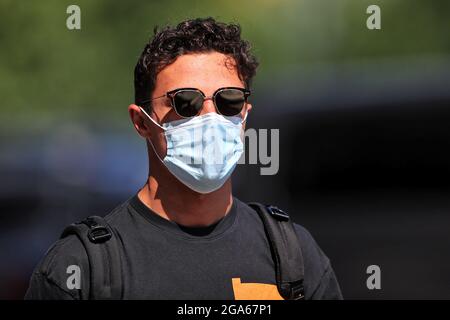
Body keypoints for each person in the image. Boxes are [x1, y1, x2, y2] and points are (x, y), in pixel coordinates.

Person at [25, 17, 342, 300]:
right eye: (185, 102)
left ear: (245, 115)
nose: (209, 118)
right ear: (142, 122)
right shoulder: (83, 268)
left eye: (228, 101)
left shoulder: (292, 255)